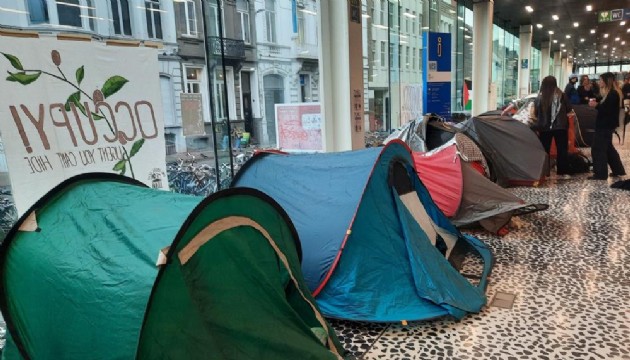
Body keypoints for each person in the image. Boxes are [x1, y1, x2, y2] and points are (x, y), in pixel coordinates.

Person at [587, 72, 626, 180]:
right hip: (607, 125)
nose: (599, 82)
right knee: (608, 148)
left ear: (606, 81)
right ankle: (618, 170)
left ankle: (600, 174)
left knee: (598, 148)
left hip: (605, 125)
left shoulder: (613, 94)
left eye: (601, 80)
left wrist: (596, 105)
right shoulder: (610, 93)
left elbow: (607, 110)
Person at [534, 76, 572, 178]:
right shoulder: (562, 95)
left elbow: (536, 112)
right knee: (562, 149)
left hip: (544, 127)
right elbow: (569, 109)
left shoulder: (540, 97)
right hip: (561, 127)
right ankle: (563, 172)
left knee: (545, 150)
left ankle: (545, 172)